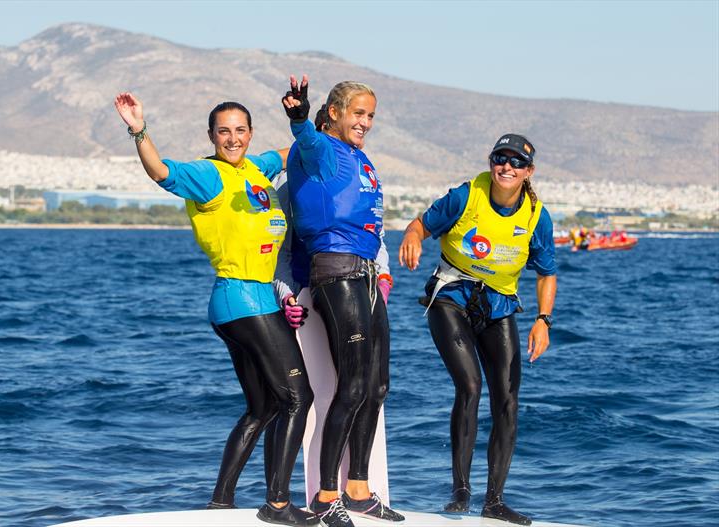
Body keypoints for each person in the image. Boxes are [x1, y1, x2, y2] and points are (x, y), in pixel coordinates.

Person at [113, 92, 318, 527]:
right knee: (299, 397)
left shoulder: (257, 168)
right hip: (243, 300)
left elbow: (290, 151)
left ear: (250, 133)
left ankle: (221, 502)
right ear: (211, 136)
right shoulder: (208, 175)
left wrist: (315, 124)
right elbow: (160, 171)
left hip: (247, 303)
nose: (232, 138)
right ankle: (278, 504)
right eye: (223, 131)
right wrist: (138, 130)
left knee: (263, 408)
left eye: (240, 130)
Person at [399, 134, 557, 526]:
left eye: (516, 162)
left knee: (507, 401)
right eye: (499, 159)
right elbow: (420, 224)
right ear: (491, 163)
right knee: (469, 386)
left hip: (499, 305)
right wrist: (412, 238)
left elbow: (547, 273)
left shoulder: (537, 215)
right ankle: (460, 491)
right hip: (450, 296)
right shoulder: (466, 196)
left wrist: (543, 320)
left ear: (528, 172)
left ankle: (495, 501)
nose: (506, 167)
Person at [281, 76, 403, 527]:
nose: (366, 122)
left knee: (377, 387)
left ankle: (358, 489)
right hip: (336, 273)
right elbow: (307, 140)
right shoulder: (320, 150)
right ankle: (324, 496)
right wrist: (298, 117)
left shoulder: (360, 157)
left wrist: (384, 275)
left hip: (368, 277)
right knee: (350, 386)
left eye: (370, 115)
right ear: (334, 112)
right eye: (358, 113)